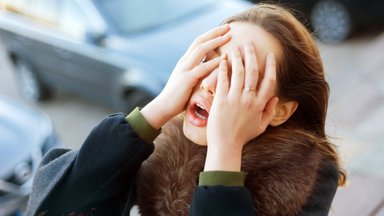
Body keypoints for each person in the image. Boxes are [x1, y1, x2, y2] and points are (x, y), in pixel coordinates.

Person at [26, 3, 346, 216]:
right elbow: (54, 205)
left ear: (280, 111)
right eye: (210, 60)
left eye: (238, 74)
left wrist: (225, 148)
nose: (208, 84)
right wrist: (159, 108)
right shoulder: (165, 144)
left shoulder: (305, 176)